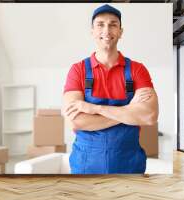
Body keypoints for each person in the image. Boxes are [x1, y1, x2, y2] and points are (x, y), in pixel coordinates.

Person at [63, 4, 159, 174]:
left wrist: (95, 109)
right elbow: (76, 120)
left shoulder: (137, 70)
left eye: (113, 24)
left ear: (121, 31)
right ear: (92, 31)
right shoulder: (78, 70)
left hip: (129, 165)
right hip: (86, 166)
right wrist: (129, 112)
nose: (106, 30)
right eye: (100, 24)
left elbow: (149, 116)